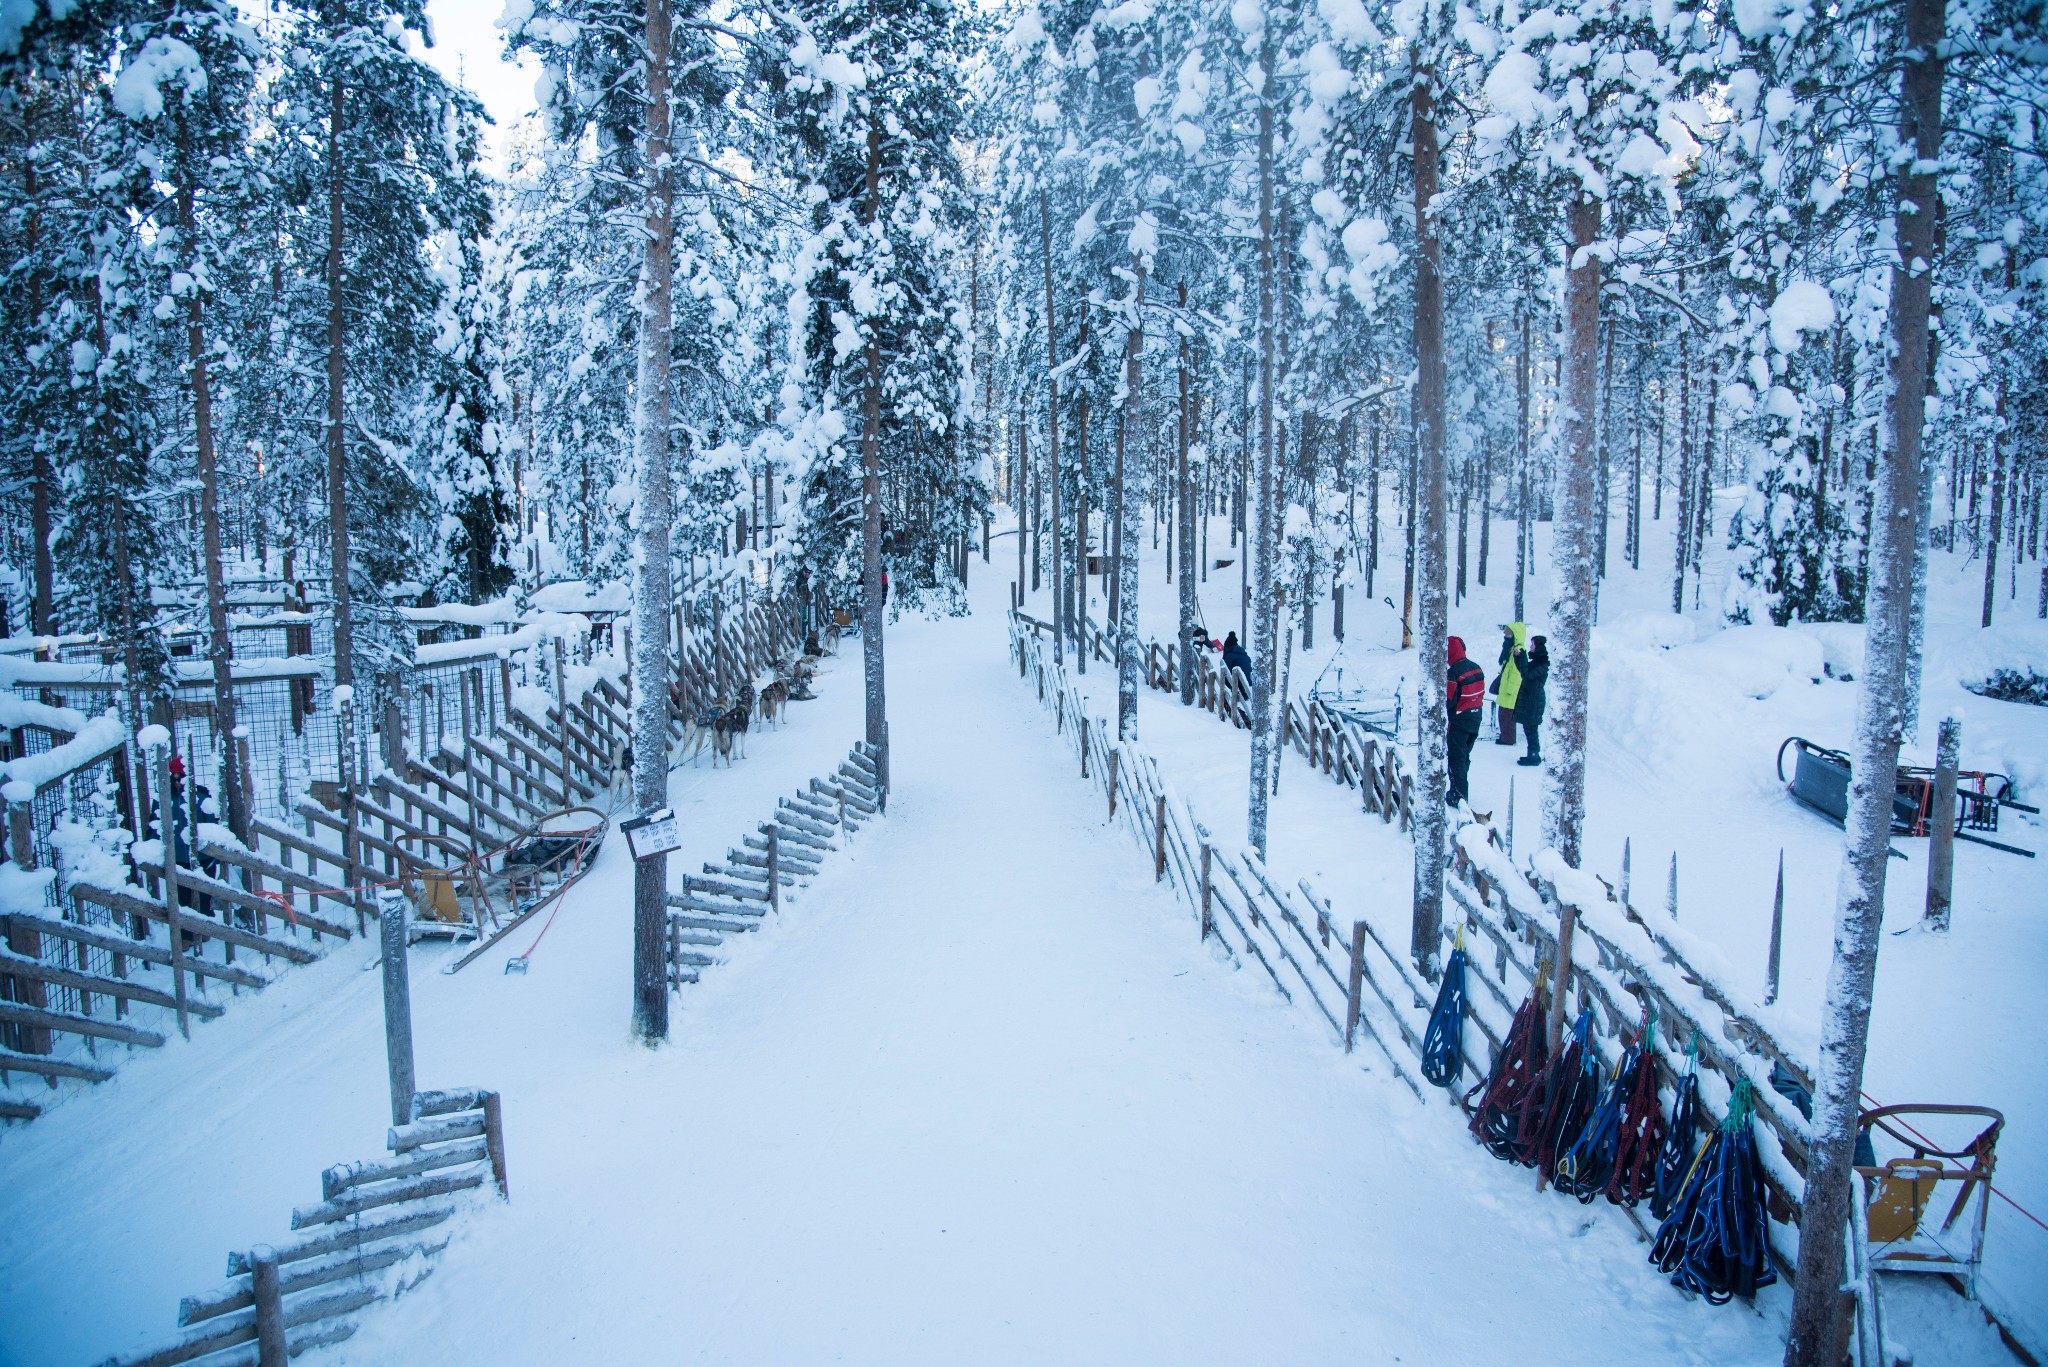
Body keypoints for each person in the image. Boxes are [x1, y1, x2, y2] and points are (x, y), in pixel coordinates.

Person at [1447, 636, 1487, 806]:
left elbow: (1450, 699)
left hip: (1460, 720)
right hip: (1475, 718)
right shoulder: (1476, 667)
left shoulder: (1454, 673)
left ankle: (1459, 795)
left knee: (1456, 757)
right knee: (1464, 756)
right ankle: (1460, 788)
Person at [1514, 635, 1549, 766]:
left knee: (1531, 728)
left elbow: (1527, 675)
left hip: (1534, 701)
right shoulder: (1537, 662)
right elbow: (1524, 670)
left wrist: (1522, 657)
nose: (1530, 647)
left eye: (1532, 645)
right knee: (1528, 728)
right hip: (1531, 699)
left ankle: (1534, 755)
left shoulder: (1543, 664)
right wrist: (1518, 658)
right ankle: (1532, 754)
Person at [1492, 622, 1527, 745]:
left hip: (1510, 689)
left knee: (1507, 714)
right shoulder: (1510, 649)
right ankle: (1505, 736)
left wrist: (1511, 689)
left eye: (1508, 633)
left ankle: (1508, 738)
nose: (1505, 635)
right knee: (1503, 713)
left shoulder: (1519, 650)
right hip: (1506, 686)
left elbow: (1517, 673)